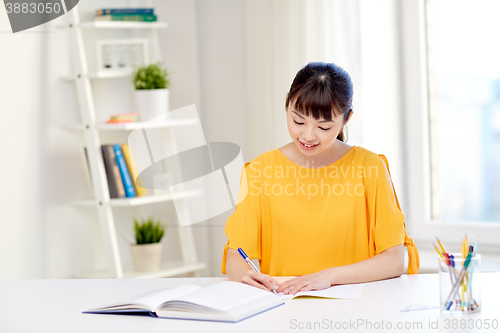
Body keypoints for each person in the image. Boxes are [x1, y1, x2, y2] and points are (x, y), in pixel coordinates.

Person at [221, 62, 419, 295]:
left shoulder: (370, 167)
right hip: (282, 305)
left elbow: (393, 260)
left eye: (323, 127)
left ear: (347, 118)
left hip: (357, 307)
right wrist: (245, 275)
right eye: (298, 121)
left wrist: (328, 277)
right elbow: (237, 255)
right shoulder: (259, 171)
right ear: (287, 106)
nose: (307, 135)